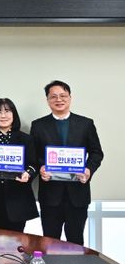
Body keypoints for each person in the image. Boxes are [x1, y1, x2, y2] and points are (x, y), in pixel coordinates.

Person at [30, 80, 103, 245]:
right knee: (50, 242)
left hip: (77, 194)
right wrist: (41, 167)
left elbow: (97, 153)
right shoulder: (38, 125)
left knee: (76, 242)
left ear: (70, 98)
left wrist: (88, 170)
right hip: (50, 195)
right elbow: (34, 155)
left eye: (63, 95)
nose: (59, 100)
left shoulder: (86, 124)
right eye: (53, 96)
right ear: (47, 100)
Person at [0, 98, 38, 232]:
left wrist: (28, 173)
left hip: (18, 200)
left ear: (14, 114)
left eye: (7, 111)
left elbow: (34, 164)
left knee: (17, 241)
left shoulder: (26, 139)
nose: (3, 115)